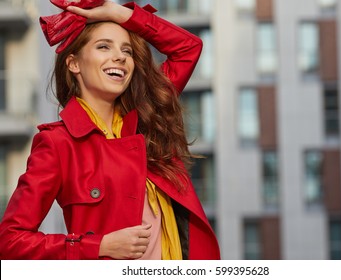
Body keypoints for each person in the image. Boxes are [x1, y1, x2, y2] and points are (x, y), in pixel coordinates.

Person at [0, 0, 220, 260]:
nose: (120, 57)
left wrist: (117, 12)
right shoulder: (57, 142)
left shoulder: (147, 119)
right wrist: (99, 246)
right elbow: (10, 241)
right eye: (104, 46)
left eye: (127, 51)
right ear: (74, 64)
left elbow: (188, 48)